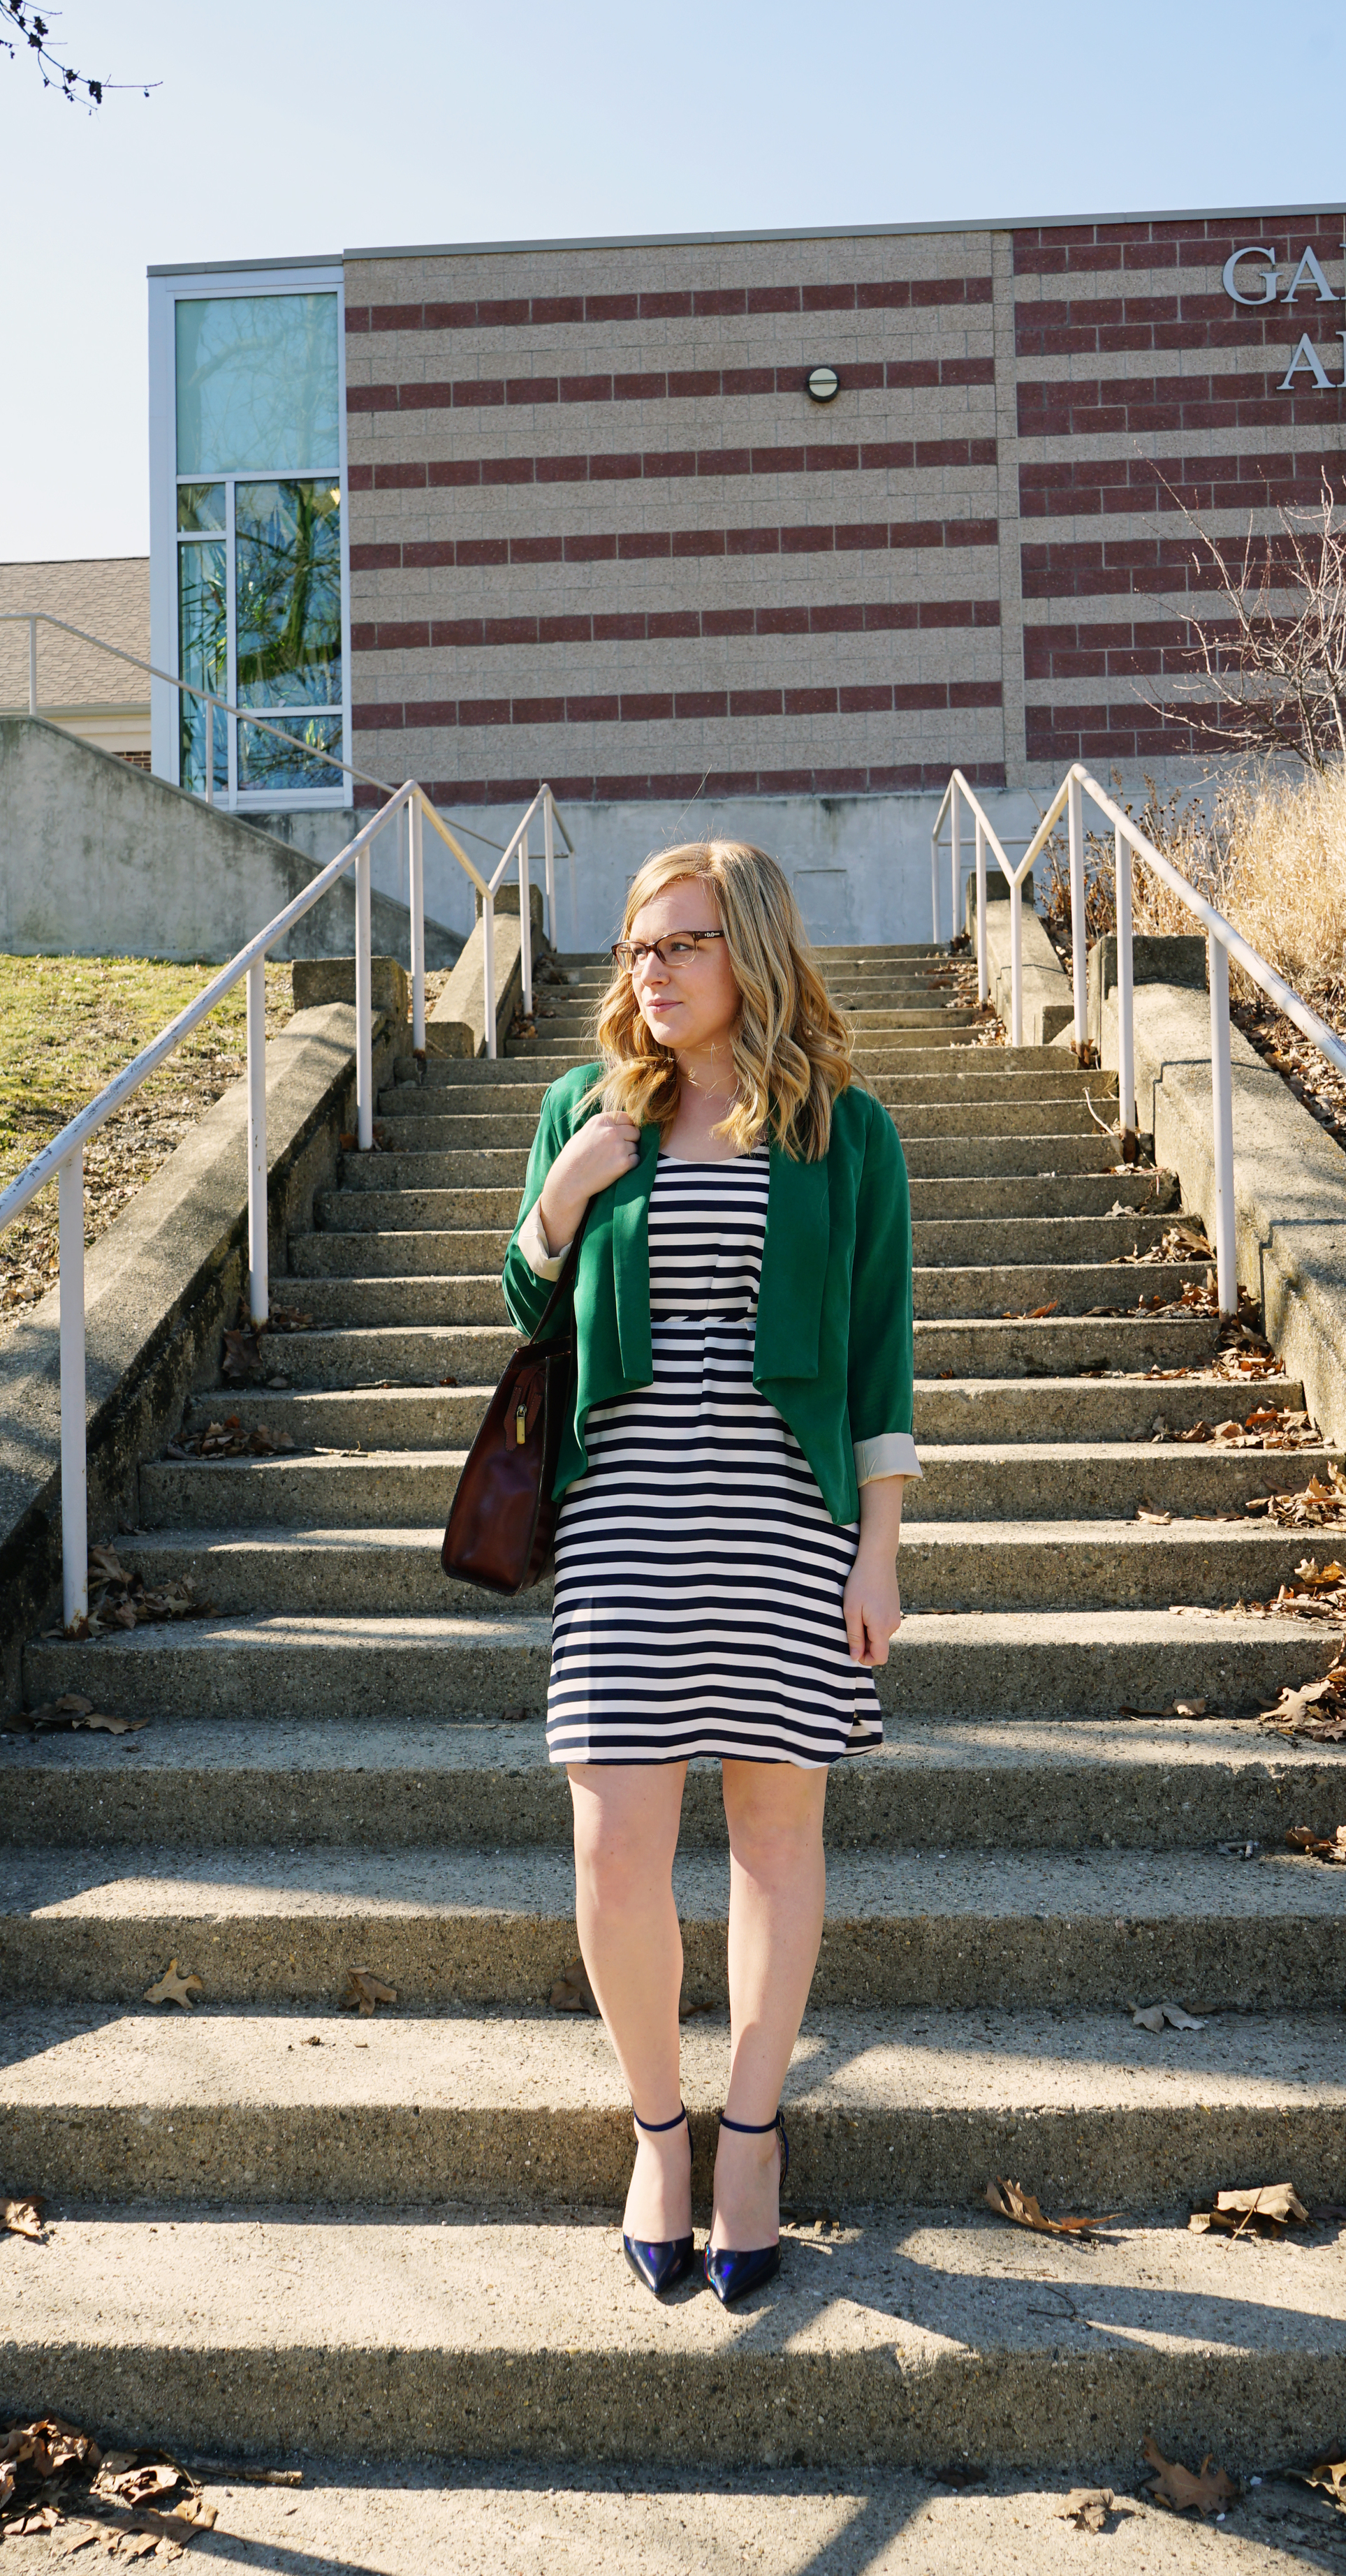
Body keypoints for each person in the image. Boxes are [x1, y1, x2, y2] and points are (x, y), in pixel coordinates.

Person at [502, 839, 917, 2307]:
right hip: (621, 1519)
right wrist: (564, 1190)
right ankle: (656, 2133)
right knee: (613, 1847)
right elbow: (525, 1294)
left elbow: (879, 1357)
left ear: (748, 953)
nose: (650, 971)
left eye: (680, 944)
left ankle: (750, 2138)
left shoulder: (842, 1132)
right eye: (635, 947)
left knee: (769, 1840)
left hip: (780, 1521)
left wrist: (876, 1553)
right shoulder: (587, 1109)